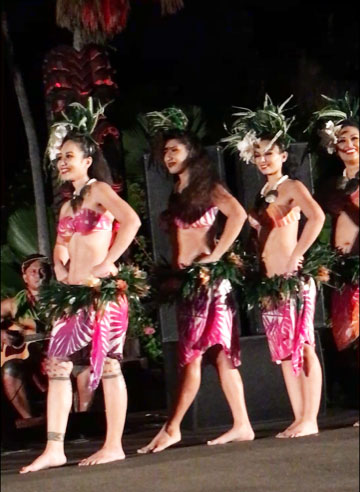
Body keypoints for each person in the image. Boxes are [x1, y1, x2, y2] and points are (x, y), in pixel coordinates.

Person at [20, 130, 141, 473]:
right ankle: (54, 448)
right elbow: (61, 243)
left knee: (111, 365)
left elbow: (131, 221)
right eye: (60, 158)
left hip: (101, 292)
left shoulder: (100, 191)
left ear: (87, 161)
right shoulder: (67, 205)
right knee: (58, 365)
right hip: (72, 297)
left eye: (69, 156)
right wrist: (58, 263)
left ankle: (114, 445)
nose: (62, 162)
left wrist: (108, 261)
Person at [138, 120, 254, 454]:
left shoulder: (209, 186)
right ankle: (242, 424)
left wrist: (216, 256)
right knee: (219, 354)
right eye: (165, 151)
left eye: (175, 149)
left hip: (208, 283)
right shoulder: (178, 191)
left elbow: (238, 215)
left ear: (192, 151)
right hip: (187, 284)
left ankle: (171, 428)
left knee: (192, 356)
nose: (168, 155)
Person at [230, 95, 325, 438]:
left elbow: (317, 217)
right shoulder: (262, 193)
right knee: (284, 352)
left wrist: (299, 253)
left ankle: (311, 418)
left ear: (283, 156)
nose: (263, 159)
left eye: (270, 153)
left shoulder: (292, 187)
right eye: (258, 154)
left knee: (303, 345)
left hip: (291, 277)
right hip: (270, 282)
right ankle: (298, 416)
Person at [311, 99, 359, 426]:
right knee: (348, 338)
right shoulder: (331, 184)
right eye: (341, 140)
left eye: (355, 139)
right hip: (341, 268)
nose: (348, 145)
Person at [1, 254, 50, 427]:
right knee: (10, 369)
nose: (38, 275)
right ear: (25, 277)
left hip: (52, 352)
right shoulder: (15, 303)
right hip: (27, 356)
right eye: (33, 271)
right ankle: (30, 420)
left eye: (43, 271)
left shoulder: (59, 299)